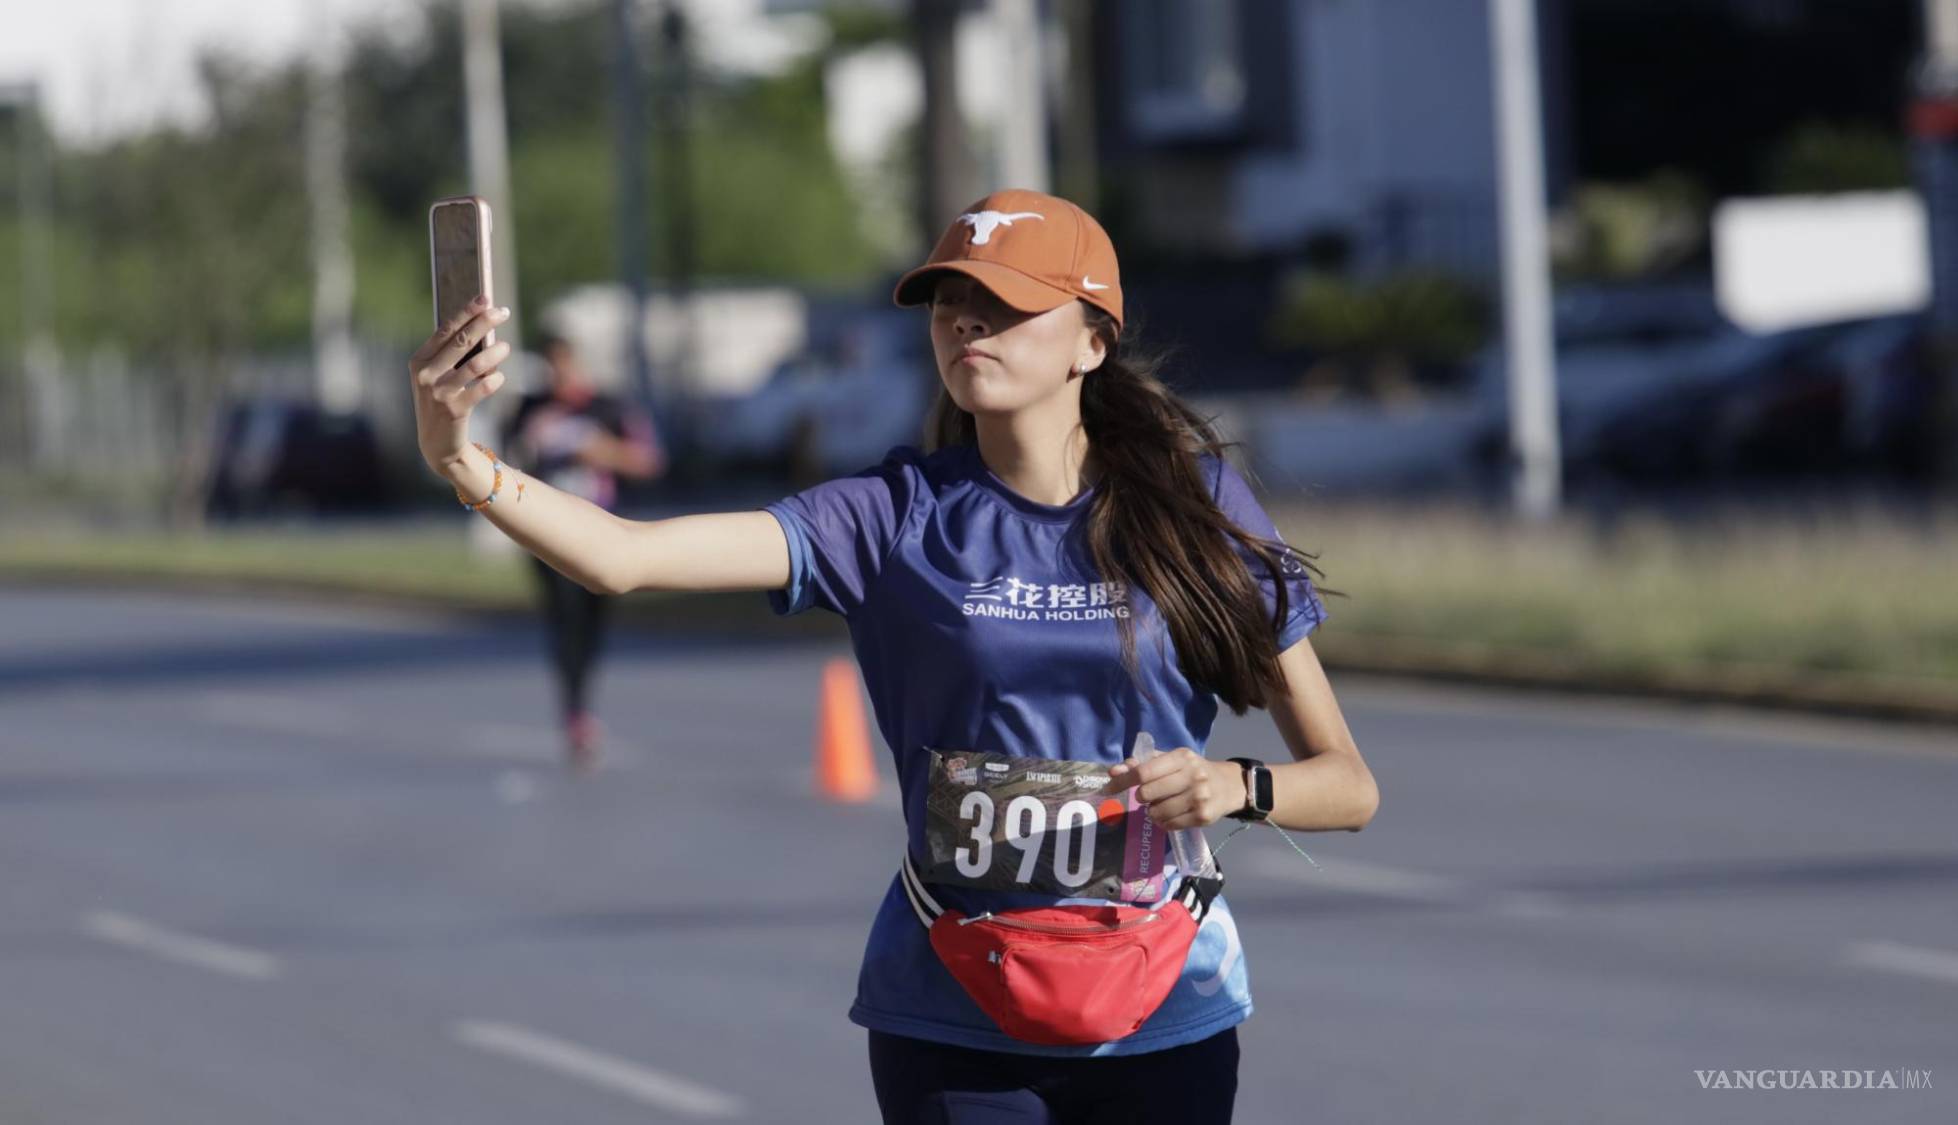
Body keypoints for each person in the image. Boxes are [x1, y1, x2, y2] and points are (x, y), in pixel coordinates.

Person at [409, 189, 1379, 1122]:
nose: (967, 323)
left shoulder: (1193, 506)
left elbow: (1347, 785)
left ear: (1092, 340)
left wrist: (1230, 786)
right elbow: (625, 558)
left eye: (1004, 304)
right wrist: (463, 461)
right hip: (954, 1012)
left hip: (1167, 1005)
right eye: (950, 303)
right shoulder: (893, 516)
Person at [500, 333, 665, 770]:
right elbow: (500, 463)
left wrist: (603, 453)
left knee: (591, 623)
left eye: (567, 367)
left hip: (602, 531)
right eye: (553, 368)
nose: (560, 376)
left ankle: (580, 700)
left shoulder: (608, 408)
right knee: (565, 620)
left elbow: (649, 460)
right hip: (546, 535)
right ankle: (576, 713)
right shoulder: (530, 410)